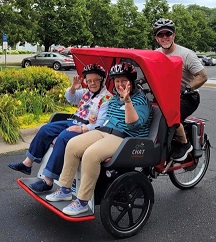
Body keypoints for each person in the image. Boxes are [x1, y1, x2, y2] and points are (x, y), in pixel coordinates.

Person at [45, 62, 153, 216]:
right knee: (72, 145)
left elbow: (133, 123)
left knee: (91, 155)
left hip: (125, 137)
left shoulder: (140, 100)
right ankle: (65, 189)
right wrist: (93, 117)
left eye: (124, 80)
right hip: (105, 131)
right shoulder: (115, 98)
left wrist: (128, 100)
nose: (120, 84)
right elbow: (104, 116)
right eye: (117, 81)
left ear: (131, 81)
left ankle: (82, 201)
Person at [7, 64, 113, 192]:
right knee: (46, 129)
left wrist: (83, 129)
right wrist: (73, 88)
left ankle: (48, 181)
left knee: (63, 138)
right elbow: (70, 97)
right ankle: (27, 163)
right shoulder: (87, 92)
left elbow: (101, 123)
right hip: (73, 121)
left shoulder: (107, 98)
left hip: (86, 128)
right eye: (89, 81)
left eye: (95, 80)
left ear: (102, 80)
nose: (92, 83)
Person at [153, 18, 208, 162]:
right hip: (165, 97)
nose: (165, 37)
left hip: (188, 97)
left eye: (168, 34)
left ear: (174, 35)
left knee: (167, 115)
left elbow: (202, 76)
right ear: (156, 38)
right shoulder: (155, 54)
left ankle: (185, 144)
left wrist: (186, 88)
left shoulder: (186, 54)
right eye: (161, 35)